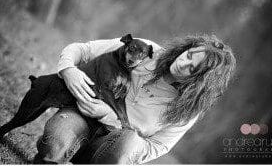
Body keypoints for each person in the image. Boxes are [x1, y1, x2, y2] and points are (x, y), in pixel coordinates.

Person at [33, 34, 236, 164]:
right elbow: (83, 50)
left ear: (198, 82)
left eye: (192, 69)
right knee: (55, 143)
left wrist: (113, 120)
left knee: (129, 141)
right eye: (189, 55)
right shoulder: (144, 49)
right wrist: (68, 70)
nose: (183, 63)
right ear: (186, 48)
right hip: (80, 117)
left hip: (112, 150)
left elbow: (158, 146)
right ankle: (53, 154)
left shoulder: (188, 110)